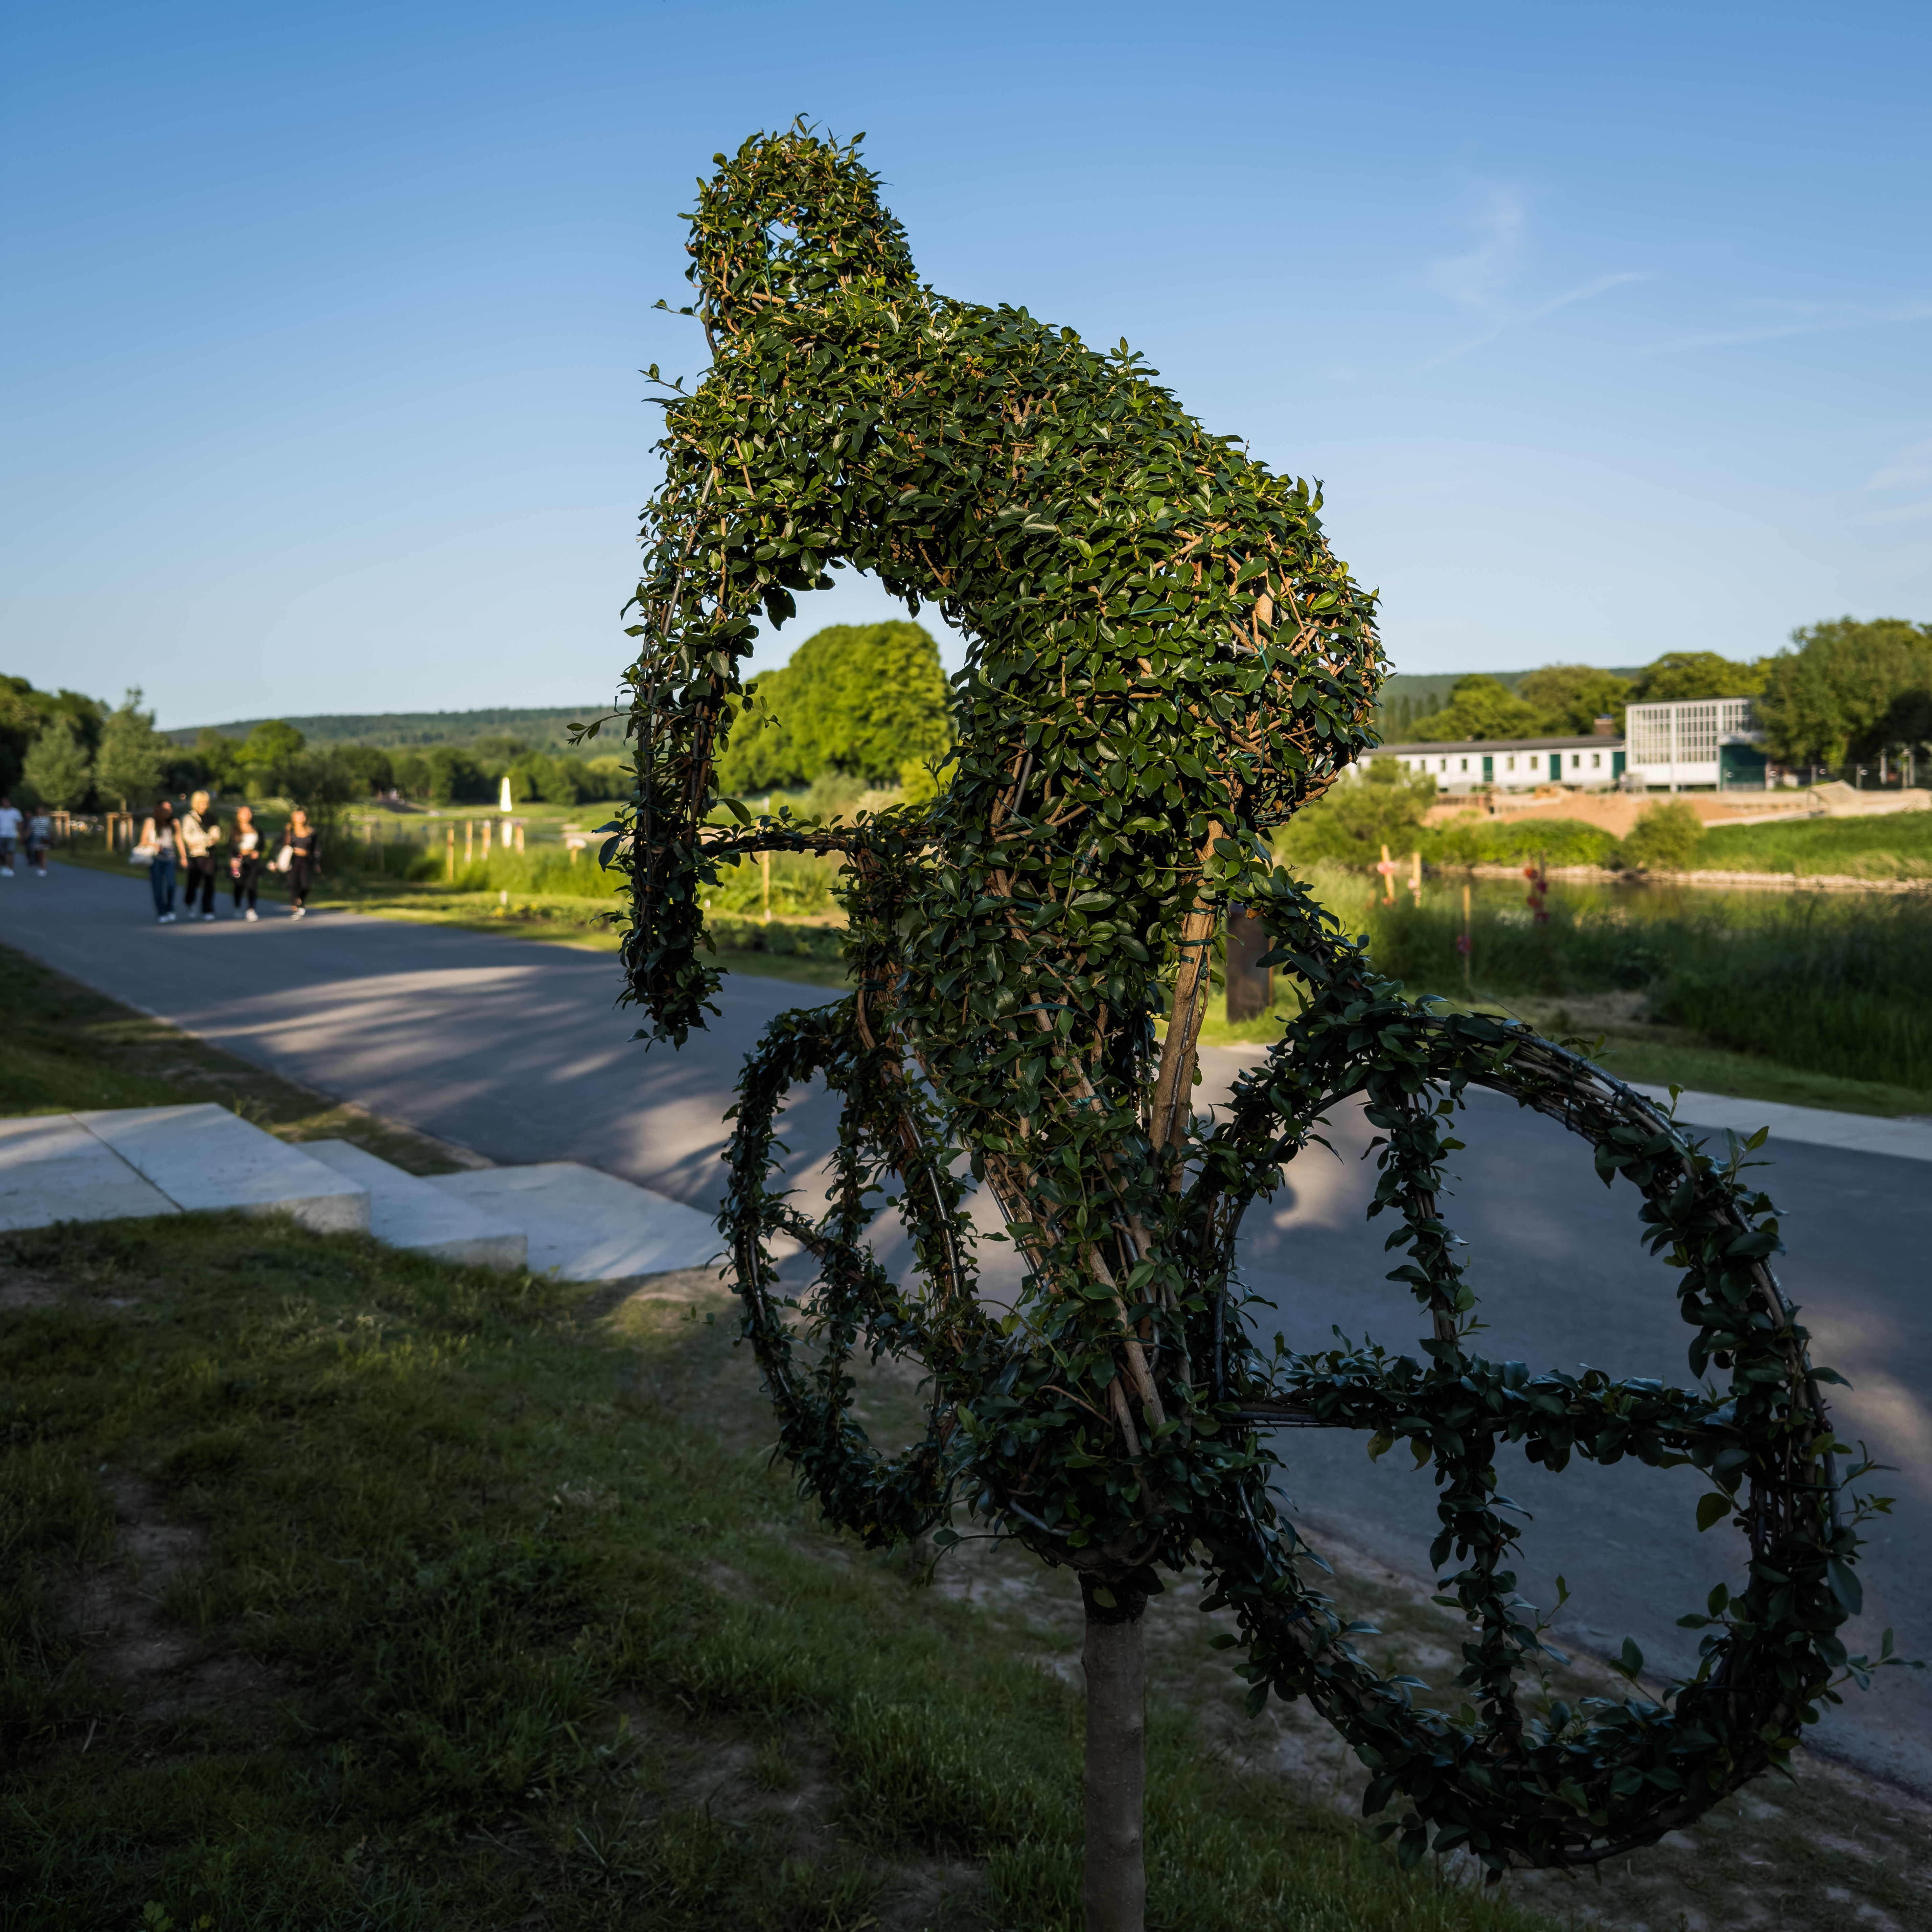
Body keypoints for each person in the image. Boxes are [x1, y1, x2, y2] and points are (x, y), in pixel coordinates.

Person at [179, 790, 223, 922]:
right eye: (201, 804)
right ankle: (190, 902)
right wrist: (205, 839)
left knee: (209, 882)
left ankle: (208, 909)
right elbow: (188, 838)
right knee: (194, 881)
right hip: (195, 855)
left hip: (209, 854)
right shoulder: (188, 818)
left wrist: (211, 839)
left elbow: (216, 834)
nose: (204, 806)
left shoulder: (212, 818)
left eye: (206, 804)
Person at [139, 800, 185, 921]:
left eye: (170, 808)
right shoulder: (151, 822)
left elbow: (179, 840)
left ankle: (170, 908)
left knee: (171, 884)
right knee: (158, 886)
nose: (169, 811)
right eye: (165, 809)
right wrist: (155, 845)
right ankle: (161, 912)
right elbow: (143, 841)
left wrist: (183, 857)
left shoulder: (175, 823)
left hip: (170, 858)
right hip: (156, 857)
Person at [276, 808, 319, 917]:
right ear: (294, 818)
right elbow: (280, 845)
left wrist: (317, 862)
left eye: (303, 816)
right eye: (299, 816)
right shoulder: (289, 831)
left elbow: (316, 848)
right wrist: (276, 860)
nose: (301, 818)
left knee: (306, 885)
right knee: (294, 883)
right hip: (293, 860)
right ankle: (295, 907)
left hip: (306, 861)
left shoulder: (312, 832)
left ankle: (301, 901)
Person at [227, 804, 265, 920]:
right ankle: (238, 906)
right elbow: (230, 846)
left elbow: (262, 845)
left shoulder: (257, 830)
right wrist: (233, 858)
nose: (247, 815)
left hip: (252, 860)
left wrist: (258, 851)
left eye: (249, 813)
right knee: (239, 885)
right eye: (244, 813)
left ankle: (251, 909)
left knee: (252, 885)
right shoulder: (235, 830)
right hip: (239, 860)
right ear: (239, 815)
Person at [26, 807, 53, 875]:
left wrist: (53, 837)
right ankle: (41, 867)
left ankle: (44, 868)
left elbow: (50, 829)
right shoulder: (34, 820)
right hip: (37, 838)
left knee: (44, 853)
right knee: (39, 853)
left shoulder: (47, 820)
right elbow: (31, 829)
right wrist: (26, 835)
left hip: (45, 838)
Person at [0, 796, 18, 877]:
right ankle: (4, 867)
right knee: (2, 853)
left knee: (10, 852)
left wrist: (20, 833)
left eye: (7, 802)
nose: (6, 804)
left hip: (12, 835)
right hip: (2, 835)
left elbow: (20, 822)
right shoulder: (1, 812)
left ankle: (10, 869)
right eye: (4, 802)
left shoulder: (15, 812)